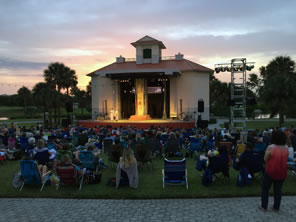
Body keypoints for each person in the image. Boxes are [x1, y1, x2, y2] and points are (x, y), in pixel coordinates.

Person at [259, 130, 289, 212]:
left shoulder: (271, 147)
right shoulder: (286, 147)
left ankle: (264, 206)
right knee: (278, 190)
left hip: (271, 171)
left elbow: (265, 159)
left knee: (265, 188)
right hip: (282, 171)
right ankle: (276, 207)